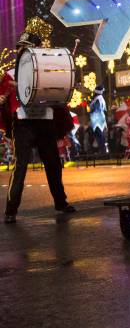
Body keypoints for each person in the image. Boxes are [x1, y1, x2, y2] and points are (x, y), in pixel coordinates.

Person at [3, 26, 76, 223]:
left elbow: (59, 96)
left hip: (45, 122)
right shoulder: (9, 74)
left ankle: (60, 202)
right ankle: (11, 210)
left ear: (34, 50)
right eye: (19, 47)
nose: (20, 51)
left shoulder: (49, 70)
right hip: (23, 125)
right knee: (20, 167)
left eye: (25, 47)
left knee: (53, 164)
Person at [89, 85, 108, 154]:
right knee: (99, 136)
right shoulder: (97, 98)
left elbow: (98, 109)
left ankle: (103, 151)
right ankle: (102, 151)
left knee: (100, 136)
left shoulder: (98, 98)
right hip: (98, 118)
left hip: (97, 119)